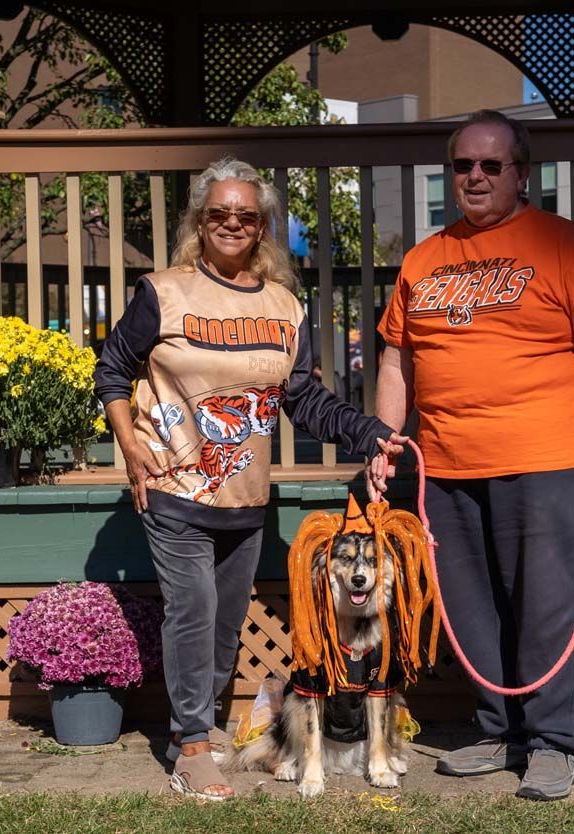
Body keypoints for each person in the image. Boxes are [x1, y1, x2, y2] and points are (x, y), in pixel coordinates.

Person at [94, 158, 405, 801]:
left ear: (261, 226)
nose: (231, 224)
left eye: (245, 215)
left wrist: (369, 432)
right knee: (193, 610)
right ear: (199, 223)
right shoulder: (164, 292)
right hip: (175, 484)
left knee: (225, 621)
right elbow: (112, 369)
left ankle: (202, 720)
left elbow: (305, 402)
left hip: (245, 498)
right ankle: (192, 747)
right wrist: (129, 445)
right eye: (218, 214)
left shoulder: (283, 306)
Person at [366, 110, 574, 802]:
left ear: (522, 174)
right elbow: (397, 359)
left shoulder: (563, 244)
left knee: (547, 606)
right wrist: (385, 440)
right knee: (471, 605)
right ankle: (497, 729)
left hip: (546, 456)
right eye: (463, 166)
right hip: (447, 463)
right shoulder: (425, 259)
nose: (476, 176)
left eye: (491, 165)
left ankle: (550, 741)